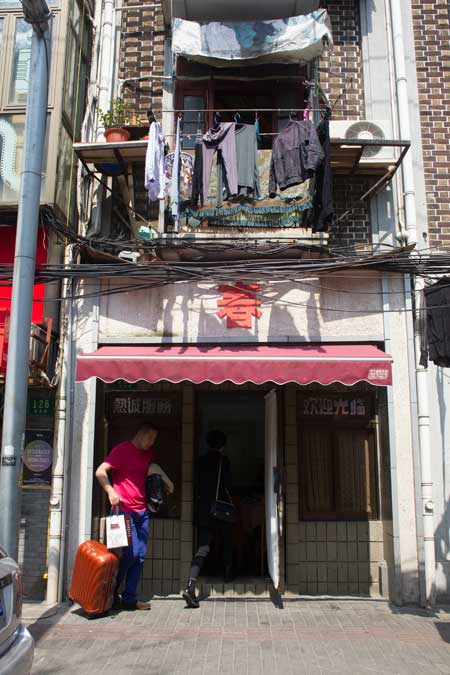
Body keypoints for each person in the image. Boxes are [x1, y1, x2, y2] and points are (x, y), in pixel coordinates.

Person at [96, 421, 172, 611]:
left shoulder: (148, 454)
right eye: (150, 438)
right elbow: (100, 471)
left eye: (154, 440)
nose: (151, 443)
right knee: (132, 554)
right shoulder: (122, 450)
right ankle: (112, 592)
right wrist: (111, 492)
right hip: (124, 510)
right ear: (140, 434)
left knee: (140, 558)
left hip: (142, 512)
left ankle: (129, 600)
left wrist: (167, 482)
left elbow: (151, 469)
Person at [182, 429, 233, 609]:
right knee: (227, 538)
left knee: (203, 548)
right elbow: (228, 484)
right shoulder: (223, 461)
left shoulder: (200, 461)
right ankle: (227, 573)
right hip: (219, 509)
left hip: (203, 509)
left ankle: (191, 584)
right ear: (223, 445)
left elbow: (196, 484)